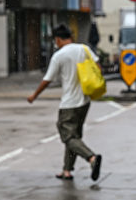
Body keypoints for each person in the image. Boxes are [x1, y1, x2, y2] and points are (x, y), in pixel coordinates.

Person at [27, 24, 102, 181]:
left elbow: (47, 80)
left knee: (68, 137)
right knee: (74, 137)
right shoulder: (84, 49)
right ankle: (67, 170)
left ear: (59, 39)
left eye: (56, 40)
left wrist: (34, 95)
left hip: (69, 104)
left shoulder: (59, 55)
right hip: (85, 101)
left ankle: (91, 158)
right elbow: (97, 68)